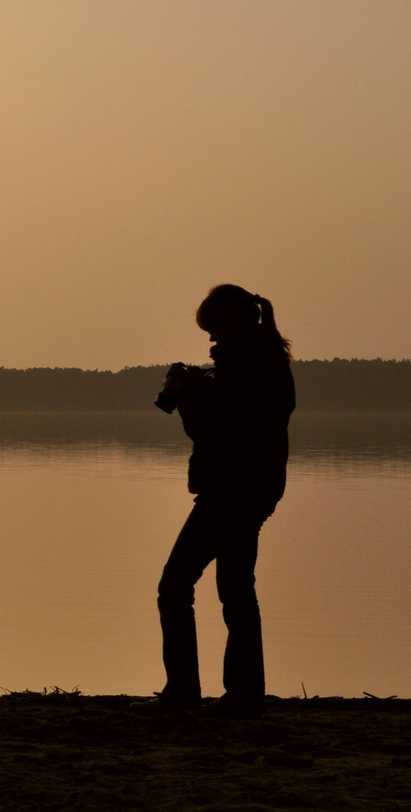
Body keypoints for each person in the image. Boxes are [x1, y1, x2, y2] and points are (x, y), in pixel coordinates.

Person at [153, 284, 295, 717]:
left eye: (213, 331)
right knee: (235, 590)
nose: (211, 342)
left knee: (175, 586)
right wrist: (203, 384)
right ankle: (244, 694)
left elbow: (216, 428)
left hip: (232, 489)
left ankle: (185, 691)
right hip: (255, 487)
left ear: (231, 319)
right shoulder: (264, 358)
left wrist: (190, 394)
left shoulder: (246, 361)